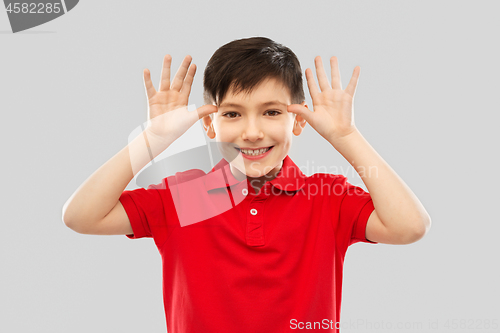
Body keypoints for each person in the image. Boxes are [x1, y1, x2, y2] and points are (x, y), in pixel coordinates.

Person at [62, 37, 431, 332]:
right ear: (210, 124)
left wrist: (346, 135)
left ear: (299, 120)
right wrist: (152, 140)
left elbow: (410, 227)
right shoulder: (186, 198)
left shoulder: (326, 199)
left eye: (272, 112)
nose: (252, 133)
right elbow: (81, 217)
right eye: (233, 114)